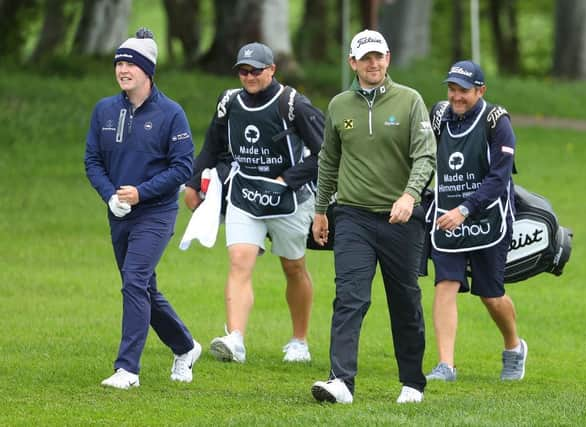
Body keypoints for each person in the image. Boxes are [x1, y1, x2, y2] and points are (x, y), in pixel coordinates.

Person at [310, 30, 437, 404]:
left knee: (405, 300)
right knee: (349, 298)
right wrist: (320, 210)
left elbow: (426, 156)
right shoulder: (339, 106)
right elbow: (328, 160)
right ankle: (341, 382)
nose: (373, 64)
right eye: (365, 58)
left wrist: (410, 196)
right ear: (353, 63)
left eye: (378, 57)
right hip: (353, 217)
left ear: (388, 58)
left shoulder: (410, 101)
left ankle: (412, 382)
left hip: (402, 219)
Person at [183, 42, 324, 364]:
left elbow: (326, 153)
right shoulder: (228, 102)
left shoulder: (293, 104)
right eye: (243, 71)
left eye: (256, 70)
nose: (249, 76)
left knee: (293, 266)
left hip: (289, 198)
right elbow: (211, 147)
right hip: (245, 194)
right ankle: (235, 339)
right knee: (239, 261)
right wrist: (193, 182)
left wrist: (286, 180)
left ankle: (299, 341)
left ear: (272, 70)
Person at [85, 28, 201, 389]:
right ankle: (185, 346)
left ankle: (127, 370)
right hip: (118, 212)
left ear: (147, 70)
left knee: (134, 282)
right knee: (143, 288)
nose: (122, 69)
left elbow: (183, 167)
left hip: (157, 212)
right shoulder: (104, 109)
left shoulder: (171, 114)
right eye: (119, 63)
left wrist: (141, 193)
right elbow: (92, 160)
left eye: (129, 64)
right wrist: (111, 196)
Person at [425, 60, 527, 383]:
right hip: (447, 218)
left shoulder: (497, 121)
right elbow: (426, 157)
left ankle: (514, 347)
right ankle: (446, 365)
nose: (456, 96)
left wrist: (466, 210)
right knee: (445, 285)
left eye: (463, 91)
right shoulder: (439, 115)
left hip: (488, 218)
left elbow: (499, 177)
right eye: (452, 89)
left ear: (480, 91)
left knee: (491, 295)